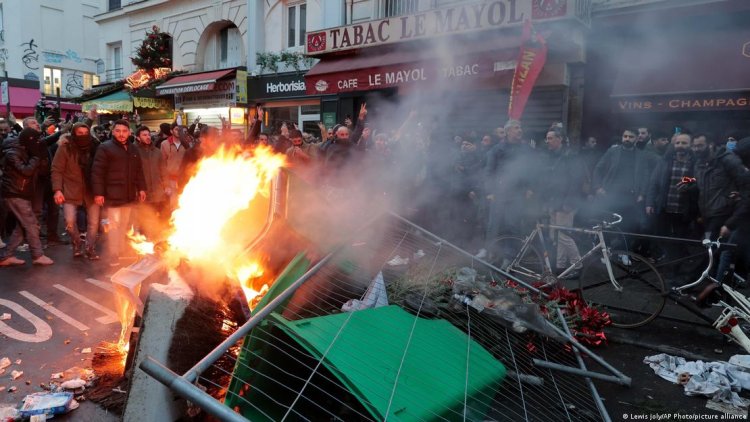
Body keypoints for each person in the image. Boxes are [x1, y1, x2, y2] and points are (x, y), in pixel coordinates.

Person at [91, 119, 147, 266]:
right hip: (112, 196)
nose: (121, 134)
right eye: (118, 131)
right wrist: (99, 193)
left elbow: (139, 171)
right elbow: (97, 172)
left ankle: (121, 251)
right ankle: (113, 255)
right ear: (113, 132)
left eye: (124, 131)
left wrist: (142, 188)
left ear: (129, 132)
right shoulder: (105, 148)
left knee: (124, 226)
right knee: (113, 228)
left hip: (128, 196)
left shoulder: (133, 149)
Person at [0, 128, 54, 266]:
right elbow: (27, 171)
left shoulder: (25, 148)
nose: (37, 143)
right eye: (35, 140)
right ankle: (37, 255)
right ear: (29, 140)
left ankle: (7, 256)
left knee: (22, 227)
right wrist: (36, 156)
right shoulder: (13, 153)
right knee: (30, 224)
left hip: (21, 192)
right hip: (15, 193)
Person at [51, 123, 102, 259]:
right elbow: (57, 169)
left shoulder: (95, 147)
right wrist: (57, 190)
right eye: (80, 133)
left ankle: (90, 248)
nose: (83, 135)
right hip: (71, 190)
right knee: (69, 221)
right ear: (74, 133)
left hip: (91, 190)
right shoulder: (65, 148)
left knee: (94, 222)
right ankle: (77, 242)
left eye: (86, 133)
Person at [133, 125, 167, 239]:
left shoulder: (157, 152)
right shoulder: (133, 151)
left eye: (149, 134)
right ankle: (144, 245)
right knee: (143, 219)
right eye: (144, 135)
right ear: (138, 137)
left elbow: (163, 170)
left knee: (158, 218)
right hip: (142, 192)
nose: (148, 137)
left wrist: (166, 186)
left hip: (158, 192)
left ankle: (157, 242)